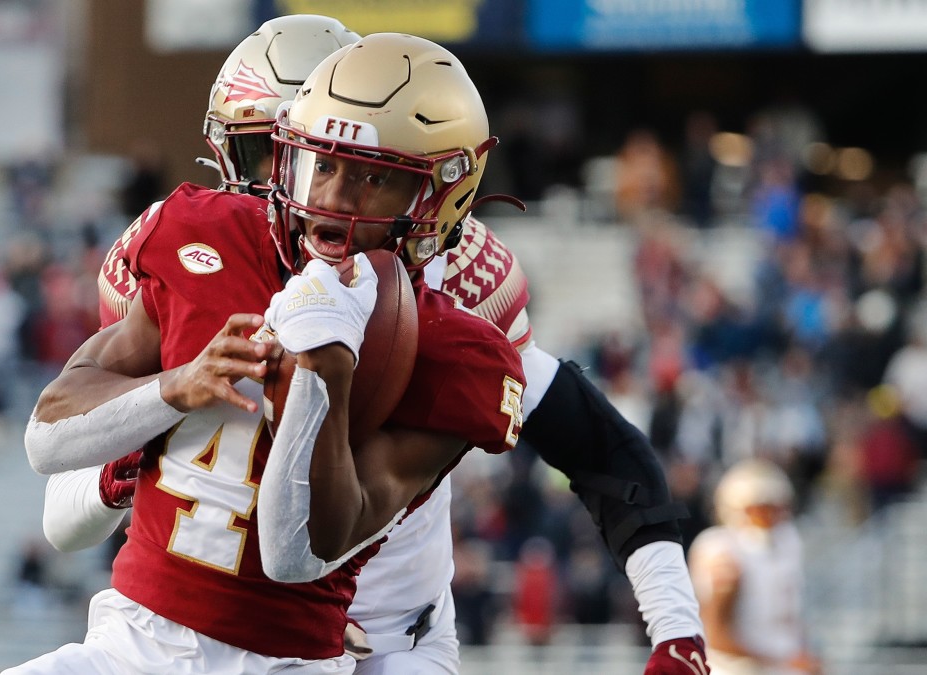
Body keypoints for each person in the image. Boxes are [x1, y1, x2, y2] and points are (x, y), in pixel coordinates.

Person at [39, 18, 707, 675]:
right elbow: (62, 502)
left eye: (358, 170)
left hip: (388, 629)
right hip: (178, 626)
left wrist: (676, 625)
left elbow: (599, 447)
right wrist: (129, 454)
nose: (312, 196)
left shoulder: (457, 287)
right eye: (280, 156)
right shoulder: (195, 247)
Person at [689, 460, 819, 675]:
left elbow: (791, 620)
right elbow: (716, 636)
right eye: (763, 506)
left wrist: (801, 658)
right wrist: (782, 661)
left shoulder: (787, 543)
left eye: (777, 505)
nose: (773, 514)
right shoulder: (723, 549)